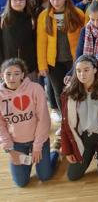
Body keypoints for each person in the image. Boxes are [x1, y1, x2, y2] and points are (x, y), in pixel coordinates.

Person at [60, 55, 98, 181]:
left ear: (95, 70)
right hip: (83, 137)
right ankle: (89, 153)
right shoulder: (68, 93)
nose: (82, 74)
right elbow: (65, 124)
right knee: (73, 176)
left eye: (86, 70)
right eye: (78, 71)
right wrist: (67, 150)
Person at [0, 58, 60, 187]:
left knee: (45, 176)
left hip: (38, 140)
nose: (12, 78)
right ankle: (29, 162)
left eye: (16, 73)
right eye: (8, 74)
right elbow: (1, 125)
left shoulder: (35, 88)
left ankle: (55, 151)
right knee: (21, 182)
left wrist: (37, 146)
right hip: (17, 144)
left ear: (22, 75)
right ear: (1, 75)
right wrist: (10, 149)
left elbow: (43, 119)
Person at [37, 0, 85, 118]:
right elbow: (41, 43)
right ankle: (66, 121)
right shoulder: (43, 16)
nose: (55, 2)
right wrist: (42, 65)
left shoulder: (78, 13)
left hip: (74, 60)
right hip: (54, 63)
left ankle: (79, 119)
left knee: (77, 91)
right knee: (59, 93)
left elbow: (84, 38)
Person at [0, 0, 37, 79]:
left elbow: (35, 42)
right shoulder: (3, 20)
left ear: (26, 1)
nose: (18, 2)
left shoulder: (31, 19)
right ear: (10, 1)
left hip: (29, 66)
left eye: (21, 0)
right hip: (8, 66)